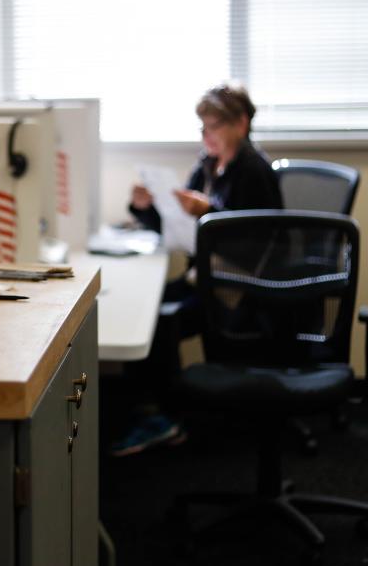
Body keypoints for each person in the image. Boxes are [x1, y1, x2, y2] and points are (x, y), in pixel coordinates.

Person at [109, 82, 283, 457]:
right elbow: (178, 232)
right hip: (202, 277)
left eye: (213, 127)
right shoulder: (206, 165)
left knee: (159, 319)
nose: (207, 136)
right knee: (142, 307)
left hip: (238, 287)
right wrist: (144, 208)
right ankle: (150, 409)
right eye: (202, 128)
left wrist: (209, 213)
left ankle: (165, 418)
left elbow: (258, 242)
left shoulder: (254, 171)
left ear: (241, 123)